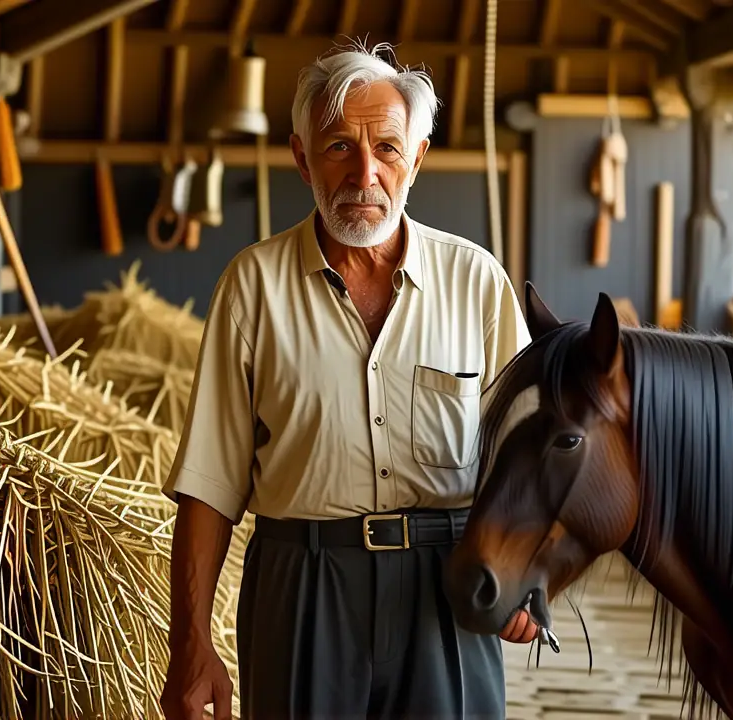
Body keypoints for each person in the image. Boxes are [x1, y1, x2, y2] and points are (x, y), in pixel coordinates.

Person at [158, 41, 534, 720]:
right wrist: (190, 646)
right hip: (301, 586)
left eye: (387, 149)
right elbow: (209, 483)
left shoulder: (476, 283)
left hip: (443, 588)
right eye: (338, 147)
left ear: (415, 160)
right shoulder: (253, 287)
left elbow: (528, 458)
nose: (365, 173)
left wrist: (527, 574)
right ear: (302, 158)